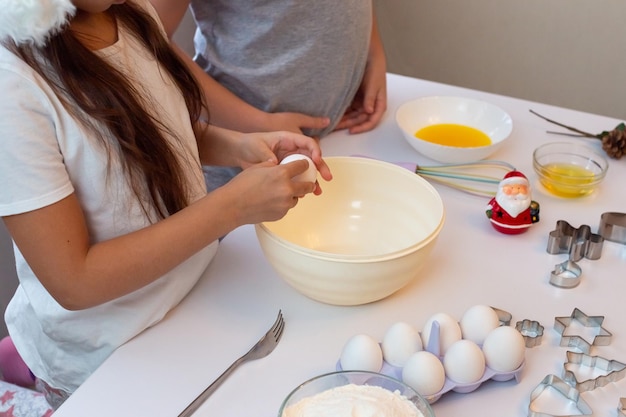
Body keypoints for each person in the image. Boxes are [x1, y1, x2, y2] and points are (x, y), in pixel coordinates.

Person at [0, 0, 331, 409]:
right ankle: (26, 359)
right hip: (112, 354)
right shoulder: (12, 88)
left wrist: (240, 145)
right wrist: (231, 208)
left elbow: (156, 126)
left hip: (192, 298)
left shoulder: (130, 12)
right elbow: (74, 281)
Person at [150, 0, 388, 139]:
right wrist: (259, 123)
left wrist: (372, 51)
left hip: (343, 128)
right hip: (246, 148)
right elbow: (147, 37)